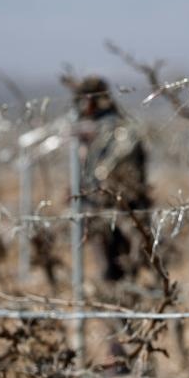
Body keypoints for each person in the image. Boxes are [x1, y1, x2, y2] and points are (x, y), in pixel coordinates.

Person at [69, 75, 151, 282]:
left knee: (124, 263)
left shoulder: (117, 127)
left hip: (122, 205)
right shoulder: (91, 126)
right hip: (100, 205)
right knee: (109, 266)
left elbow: (119, 165)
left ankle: (126, 302)